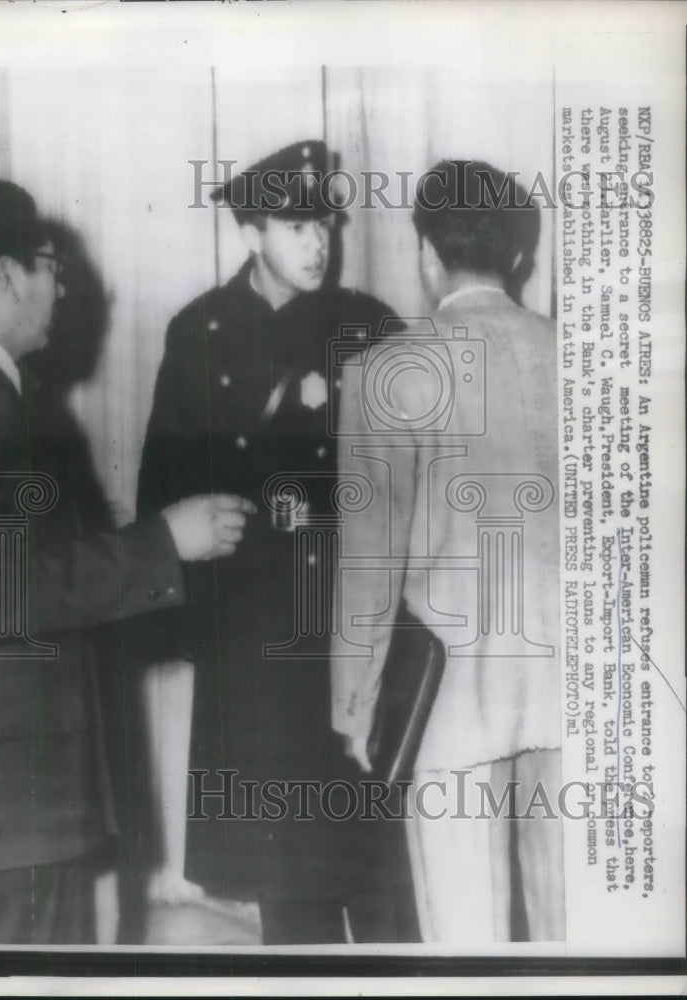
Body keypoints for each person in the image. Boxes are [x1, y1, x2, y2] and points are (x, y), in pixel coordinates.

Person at [0, 177, 254, 944]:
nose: (63, 286)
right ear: (8, 274)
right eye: (51, 264)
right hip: (9, 803)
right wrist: (166, 543)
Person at [137, 140, 419, 944]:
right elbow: (164, 485)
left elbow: (414, 478)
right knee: (284, 876)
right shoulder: (199, 331)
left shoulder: (366, 323)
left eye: (324, 222)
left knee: (377, 865)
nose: (318, 241)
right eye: (297, 225)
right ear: (253, 230)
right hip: (253, 637)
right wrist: (186, 626)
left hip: (348, 631)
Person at [332, 160, 565, 942]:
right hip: (577, 699)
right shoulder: (585, 359)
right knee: (581, 937)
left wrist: (357, 706)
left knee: (466, 943)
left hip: (449, 704)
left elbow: (368, 562)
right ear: (520, 258)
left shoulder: (387, 371)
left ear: (427, 253)